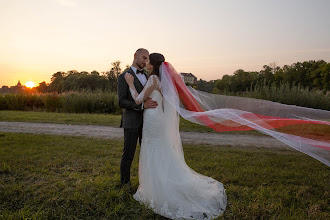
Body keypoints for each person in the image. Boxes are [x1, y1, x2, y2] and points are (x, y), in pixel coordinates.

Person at [124, 53, 227, 219]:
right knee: (159, 150)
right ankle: (157, 184)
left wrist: (130, 84)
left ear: (153, 63)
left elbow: (137, 99)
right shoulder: (162, 81)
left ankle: (155, 189)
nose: (146, 62)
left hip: (152, 119)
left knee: (153, 150)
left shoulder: (153, 80)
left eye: (148, 60)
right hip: (158, 117)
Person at [117, 48, 158, 185]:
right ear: (135, 56)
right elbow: (121, 101)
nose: (145, 61)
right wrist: (141, 106)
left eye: (147, 59)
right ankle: (125, 184)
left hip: (147, 122)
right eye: (144, 58)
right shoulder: (124, 76)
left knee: (146, 154)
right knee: (128, 155)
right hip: (131, 122)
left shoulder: (148, 76)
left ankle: (146, 184)